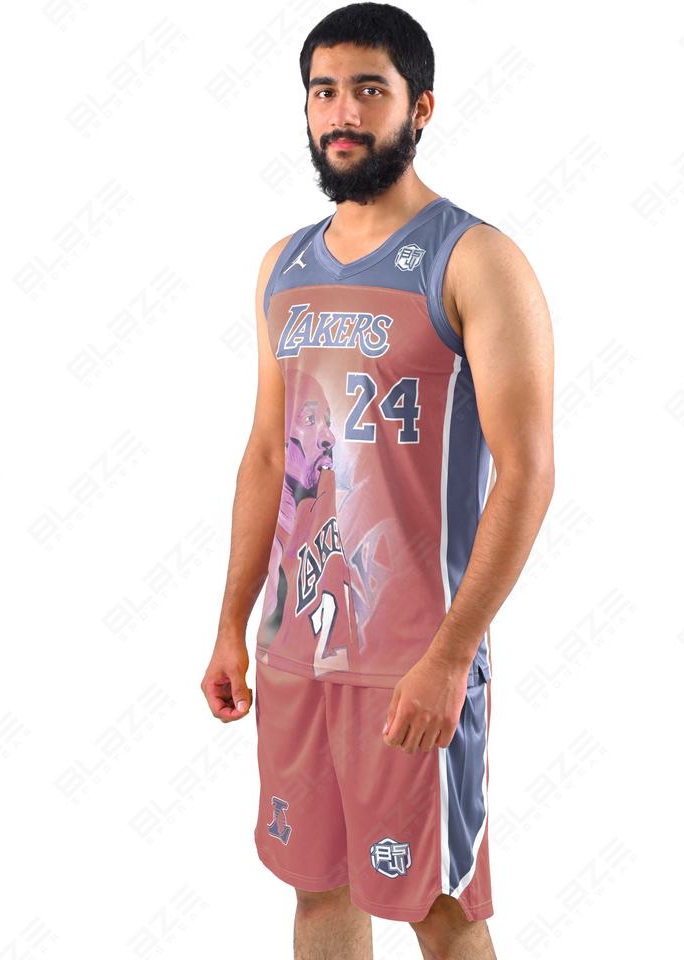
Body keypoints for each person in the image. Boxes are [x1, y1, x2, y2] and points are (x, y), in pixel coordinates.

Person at [201, 4, 554, 957]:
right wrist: (232, 623)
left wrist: (451, 656)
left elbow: (528, 473)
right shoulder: (284, 266)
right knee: (318, 892)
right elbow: (268, 454)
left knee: (438, 907)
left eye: (369, 89)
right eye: (324, 92)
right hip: (296, 646)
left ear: (420, 107)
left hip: (413, 656)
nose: (343, 112)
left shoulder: (474, 259)